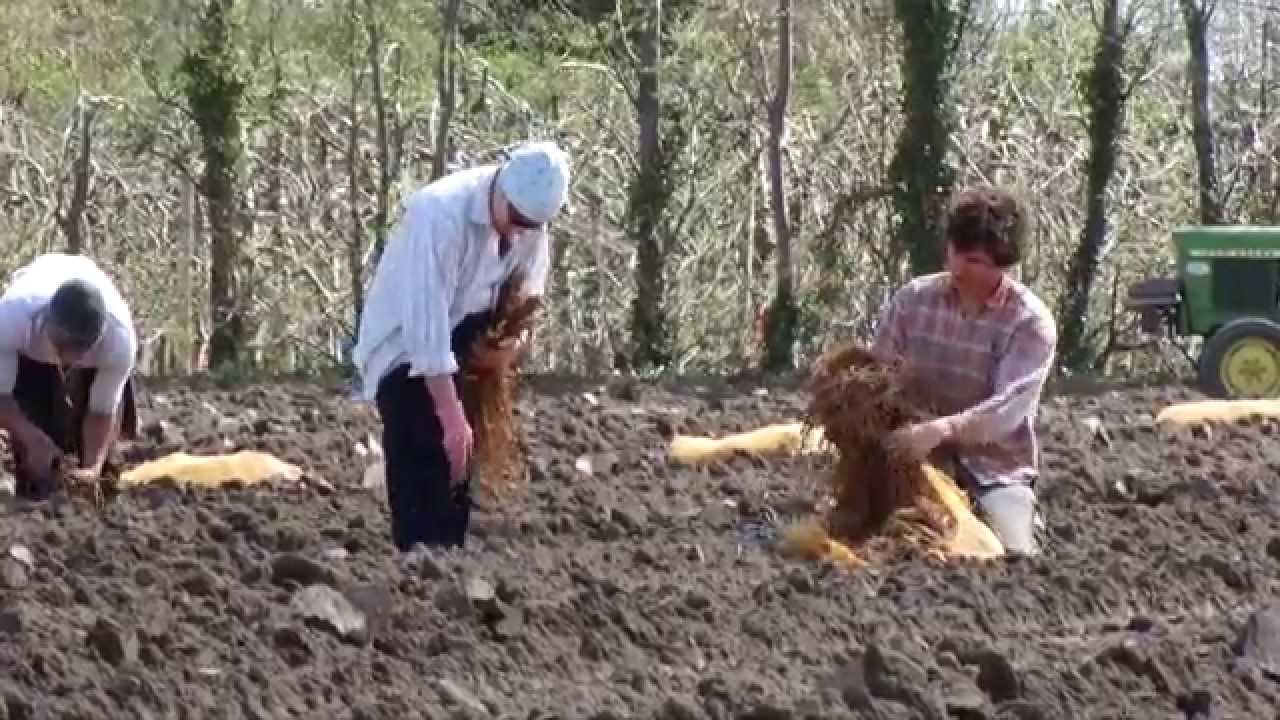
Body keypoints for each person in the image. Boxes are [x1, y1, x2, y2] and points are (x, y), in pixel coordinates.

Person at [352, 140, 570, 552]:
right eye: (517, 218)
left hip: (467, 339)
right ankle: (417, 559)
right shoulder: (438, 217)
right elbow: (425, 329)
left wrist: (508, 351)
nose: (521, 231)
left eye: (532, 225)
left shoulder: (531, 228)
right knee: (425, 442)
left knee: (458, 470)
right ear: (502, 189)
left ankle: (447, 558)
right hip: (405, 348)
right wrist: (452, 418)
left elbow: (527, 301)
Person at [871, 185, 1057, 555]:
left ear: (1002, 264)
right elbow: (878, 371)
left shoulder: (1029, 324)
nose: (956, 267)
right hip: (912, 456)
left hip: (993, 466)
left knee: (1012, 552)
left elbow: (1005, 412)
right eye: (954, 252)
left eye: (972, 261)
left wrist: (941, 430)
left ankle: (1022, 515)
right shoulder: (912, 301)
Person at [0, 253, 139, 500]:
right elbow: (2, 395)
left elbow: (102, 410)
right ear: (46, 321)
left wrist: (92, 468)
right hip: (30, 351)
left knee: (97, 461)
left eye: (79, 348)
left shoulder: (119, 341)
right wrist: (30, 437)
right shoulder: (12, 319)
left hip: (96, 354)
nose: (68, 357)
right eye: (62, 344)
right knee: (38, 458)